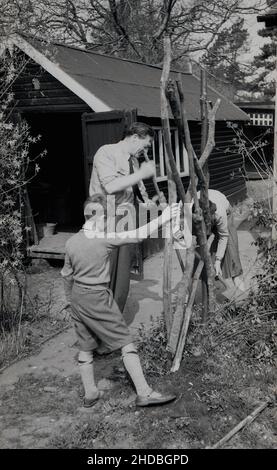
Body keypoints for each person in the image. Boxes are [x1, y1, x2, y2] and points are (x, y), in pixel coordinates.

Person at [61, 193, 178, 408]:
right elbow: (137, 235)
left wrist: (70, 302)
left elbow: (66, 275)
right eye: (106, 218)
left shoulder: (70, 242)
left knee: (86, 348)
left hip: (77, 297)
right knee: (126, 341)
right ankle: (144, 392)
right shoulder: (103, 239)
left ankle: (90, 393)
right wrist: (164, 217)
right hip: (97, 297)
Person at [89, 122, 157, 314]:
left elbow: (133, 188)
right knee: (105, 269)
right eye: (145, 145)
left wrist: (145, 203)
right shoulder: (106, 152)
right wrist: (142, 173)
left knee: (122, 273)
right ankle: (98, 316)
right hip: (104, 215)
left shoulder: (133, 161)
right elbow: (111, 187)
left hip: (124, 216)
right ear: (135, 137)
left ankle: (114, 316)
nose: (145, 151)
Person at [197, 189, 245, 290]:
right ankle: (211, 293)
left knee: (232, 260)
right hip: (200, 217)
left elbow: (223, 236)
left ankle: (242, 294)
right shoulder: (189, 209)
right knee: (206, 261)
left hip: (225, 214)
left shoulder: (220, 213)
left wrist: (218, 261)